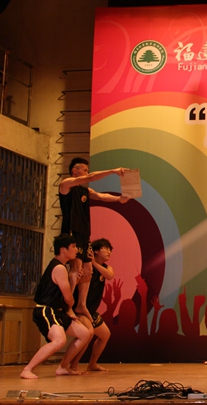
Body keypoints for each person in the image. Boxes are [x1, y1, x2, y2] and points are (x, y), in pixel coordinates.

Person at [59, 157, 128, 318]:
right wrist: (113, 171)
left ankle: (81, 305)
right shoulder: (66, 185)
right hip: (72, 232)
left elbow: (101, 196)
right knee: (76, 269)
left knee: (88, 270)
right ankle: (67, 305)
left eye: (87, 170)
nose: (87, 172)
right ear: (74, 171)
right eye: (84, 170)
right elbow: (91, 177)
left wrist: (119, 199)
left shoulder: (85, 191)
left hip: (84, 233)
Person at [20, 234, 92, 379]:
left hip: (57, 311)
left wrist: (73, 282)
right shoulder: (59, 268)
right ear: (63, 250)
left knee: (85, 334)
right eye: (73, 246)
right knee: (59, 340)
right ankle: (27, 369)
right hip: (45, 310)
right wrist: (70, 302)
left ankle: (63, 366)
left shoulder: (62, 267)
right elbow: (68, 299)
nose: (76, 250)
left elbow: (67, 299)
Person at [69, 238, 115, 372]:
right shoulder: (86, 267)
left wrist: (94, 263)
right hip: (80, 309)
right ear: (95, 251)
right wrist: (91, 263)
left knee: (105, 335)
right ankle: (73, 365)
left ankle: (92, 364)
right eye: (105, 249)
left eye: (110, 250)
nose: (109, 252)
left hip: (91, 310)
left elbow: (110, 275)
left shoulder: (105, 268)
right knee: (88, 334)